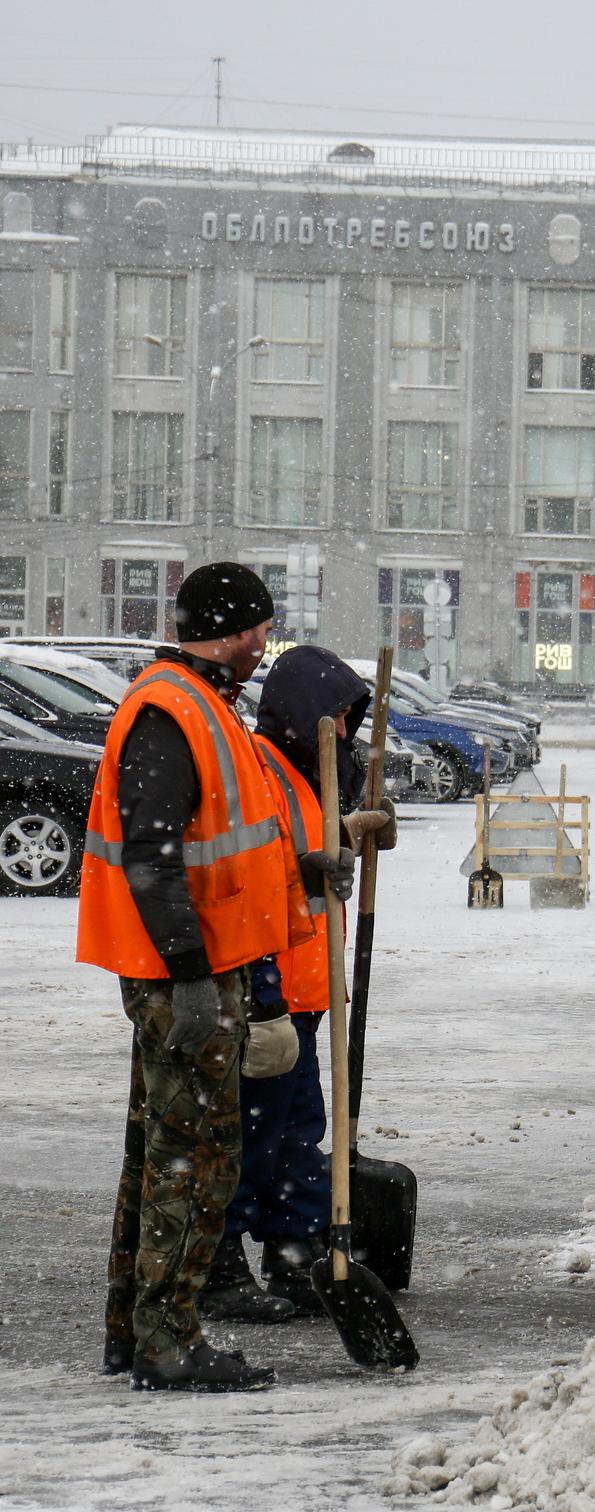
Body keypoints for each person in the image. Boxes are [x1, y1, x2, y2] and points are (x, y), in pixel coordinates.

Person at [79, 563, 350, 1393]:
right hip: (182, 976)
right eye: (262, 629)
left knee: (164, 1151)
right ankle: (167, 1339)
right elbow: (152, 855)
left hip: (198, 965)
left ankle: (139, 1330)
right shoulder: (170, 707)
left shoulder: (205, 706)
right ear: (236, 629)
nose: (266, 645)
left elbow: (226, 851)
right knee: (190, 1158)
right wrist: (191, 976)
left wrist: (310, 869)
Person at [200, 646, 395, 1323]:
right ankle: (218, 1262)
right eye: (336, 717)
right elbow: (257, 859)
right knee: (246, 1137)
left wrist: (351, 829)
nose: (344, 731)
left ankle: (295, 1251)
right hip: (267, 983)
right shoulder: (260, 768)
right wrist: (314, 862)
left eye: (349, 718)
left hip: (309, 991)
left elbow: (310, 838)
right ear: (302, 714)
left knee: (297, 1134)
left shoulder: (309, 774)